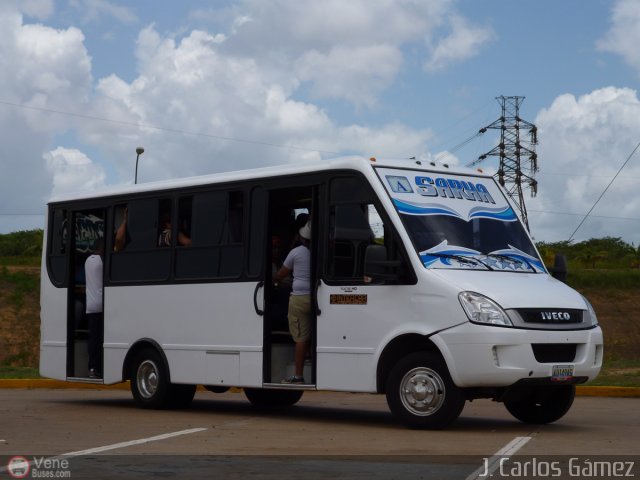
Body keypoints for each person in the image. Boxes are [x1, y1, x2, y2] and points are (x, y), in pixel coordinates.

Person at [274, 221, 312, 384]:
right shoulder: (318, 252)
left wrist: (273, 278)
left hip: (298, 299)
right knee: (311, 332)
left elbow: (282, 273)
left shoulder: (296, 252)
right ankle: (310, 358)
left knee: (300, 338)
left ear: (300, 237)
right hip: (315, 298)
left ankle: (298, 375)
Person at [85, 238, 104, 379]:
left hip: (90, 305)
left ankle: (91, 367)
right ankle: (97, 367)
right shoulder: (102, 262)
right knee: (100, 339)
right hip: (101, 304)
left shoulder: (88, 261)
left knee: (93, 338)